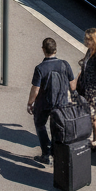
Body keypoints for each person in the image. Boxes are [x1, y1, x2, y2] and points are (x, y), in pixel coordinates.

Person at [26, 36, 75, 164]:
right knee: (57, 128)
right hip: (61, 103)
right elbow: (73, 85)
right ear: (55, 50)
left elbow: (35, 90)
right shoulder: (64, 64)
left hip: (43, 103)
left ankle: (46, 153)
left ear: (43, 50)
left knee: (40, 125)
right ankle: (57, 153)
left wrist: (30, 103)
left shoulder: (40, 68)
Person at [75, 28, 96, 151]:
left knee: (95, 116)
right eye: (86, 39)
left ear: (95, 40)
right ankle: (94, 138)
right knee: (90, 115)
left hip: (95, 92)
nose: (86, 41)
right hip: (86, 89)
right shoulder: (90, 51)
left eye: (89, 40)